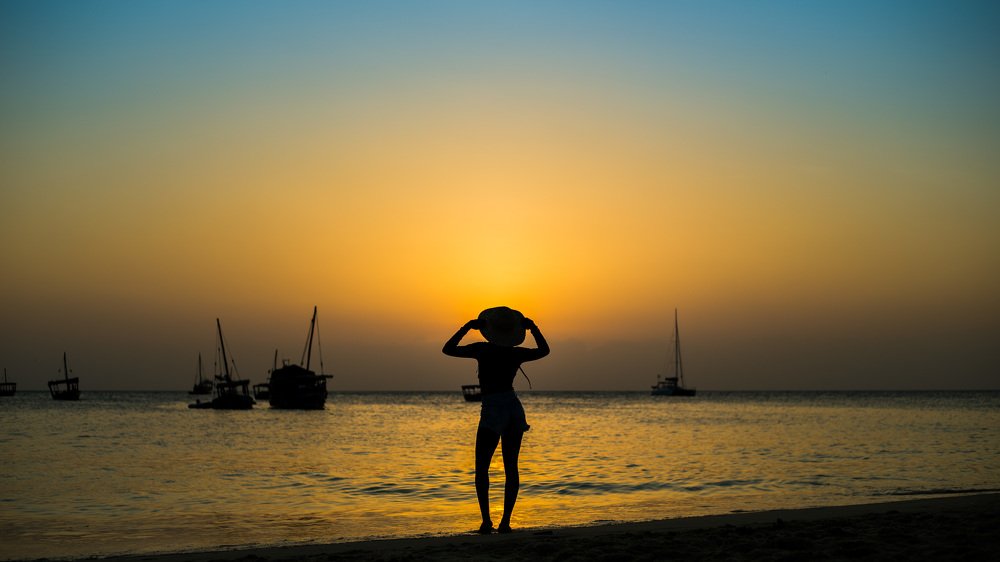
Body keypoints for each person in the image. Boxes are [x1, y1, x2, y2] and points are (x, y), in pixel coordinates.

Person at [442, 306, 550, 534]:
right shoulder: (516, 353)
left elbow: (448, 349)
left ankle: (486, 522)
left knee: (482, 468)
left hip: (492, 409)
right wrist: (533, 328)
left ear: (489, 330)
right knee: (512, 467)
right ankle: (505, 523)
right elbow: (544, 350)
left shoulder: (481, 349)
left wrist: (466, 327)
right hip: (512, 407)